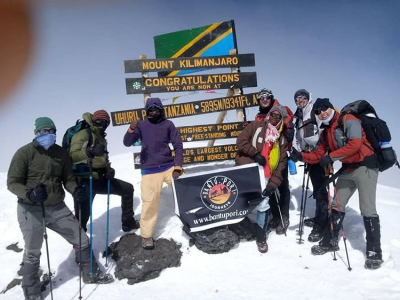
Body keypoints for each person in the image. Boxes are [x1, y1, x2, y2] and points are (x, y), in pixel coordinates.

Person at [7, 117, 113, 300]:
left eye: (50, 130)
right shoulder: (24, 153)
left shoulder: (61, 154)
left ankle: (91, 273)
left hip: (56, 207)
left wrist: (75, 190)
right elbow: (12, 182)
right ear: (36, 133)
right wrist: (29, 193)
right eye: (43, 131)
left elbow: (68, 179)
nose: (46, 134)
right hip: (30, 208)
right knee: (32, 251)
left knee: (81, 238)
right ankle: (31, 293)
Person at [290, 98, 383, 269]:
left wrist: (331, 157)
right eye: (318, 111)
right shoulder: (326, 132)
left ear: (331, 107)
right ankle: (330, 241)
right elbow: (319, 155)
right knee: (336, 205)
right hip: (347, 170)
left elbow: (355, 144)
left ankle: (374, 252)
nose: (322, 113)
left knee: (367, 208)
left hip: (365, 167)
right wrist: (301, 156)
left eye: (324, 108)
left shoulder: (348, 120)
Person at [123, 98, 183, 250]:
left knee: (186, 187)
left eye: (156, 109)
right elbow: (127, 142)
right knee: (149, 203)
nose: (154, 112)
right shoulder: (142, 125)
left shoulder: (168, 124)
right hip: (149, 170)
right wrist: (131, 129)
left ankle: (196, 219)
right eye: (150, 110)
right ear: (147, 111)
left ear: (161, 110)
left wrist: (177, 167)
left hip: (169, 166)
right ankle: (146, 236)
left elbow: (178, 145)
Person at [69, 110, 138, 233]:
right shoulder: (84, 134)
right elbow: (71, 157)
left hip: (100, 178)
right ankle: (82, 249)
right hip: (85, 180)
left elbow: (104, 159)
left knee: (127, 188)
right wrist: (89, 151)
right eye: (99, 120)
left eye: (106, 122)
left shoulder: (101, 138)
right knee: (82, 218)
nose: (102, 124)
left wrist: (109, 169)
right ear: (94, 120)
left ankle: (128, 223)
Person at [236, 105, 288, 253]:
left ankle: (261, 237)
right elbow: (241, 141)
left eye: (278, 116)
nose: (273, 118)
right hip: (248, 172)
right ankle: (235, 227)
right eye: (272, 114)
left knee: (263, 205)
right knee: (240, 200)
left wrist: (272, 185)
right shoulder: (256, 126)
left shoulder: (282, 141)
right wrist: (255, 154)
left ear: (282, 120)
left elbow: (280, 166)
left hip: (266, 176)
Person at [254, 88, 294, 235]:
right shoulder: (259, 117)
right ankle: (276, 216)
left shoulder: (281, 110)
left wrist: (281, 142)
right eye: (261, 97)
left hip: (280, 155)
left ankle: (284, 216)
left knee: (282, 186)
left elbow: (289, 131)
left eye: (267, 97)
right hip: (265, 158)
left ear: (271, 98)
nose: (265, 99)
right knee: (268, 187)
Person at [293, 89, 329, 242]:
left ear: (308, 98)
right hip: (309, 156)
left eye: (302, 98)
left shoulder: (315, 111)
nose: (299, 101)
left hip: (321, 157)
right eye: (297, 99)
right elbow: (300, 136)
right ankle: (319, 218)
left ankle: (321, 226)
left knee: (321, 190)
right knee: (317, 188)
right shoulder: (299, 115)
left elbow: (325, 130)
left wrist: (326, 152)